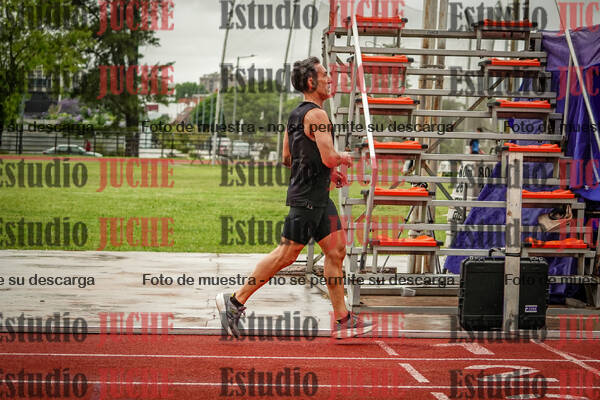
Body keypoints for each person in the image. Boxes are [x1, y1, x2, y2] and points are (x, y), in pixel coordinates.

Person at [216, 57, 374, 339]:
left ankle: (343, 319)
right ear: (311, 82)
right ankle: (235, 301)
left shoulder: (296, 114)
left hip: (318, 196)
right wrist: (342, 158)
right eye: (324, 75)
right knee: (286, 255)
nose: (330, 79)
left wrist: (327, 173)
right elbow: (328, 156)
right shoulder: (318, 116)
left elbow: (288, 157)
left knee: (336, 251)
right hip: (308, 198)